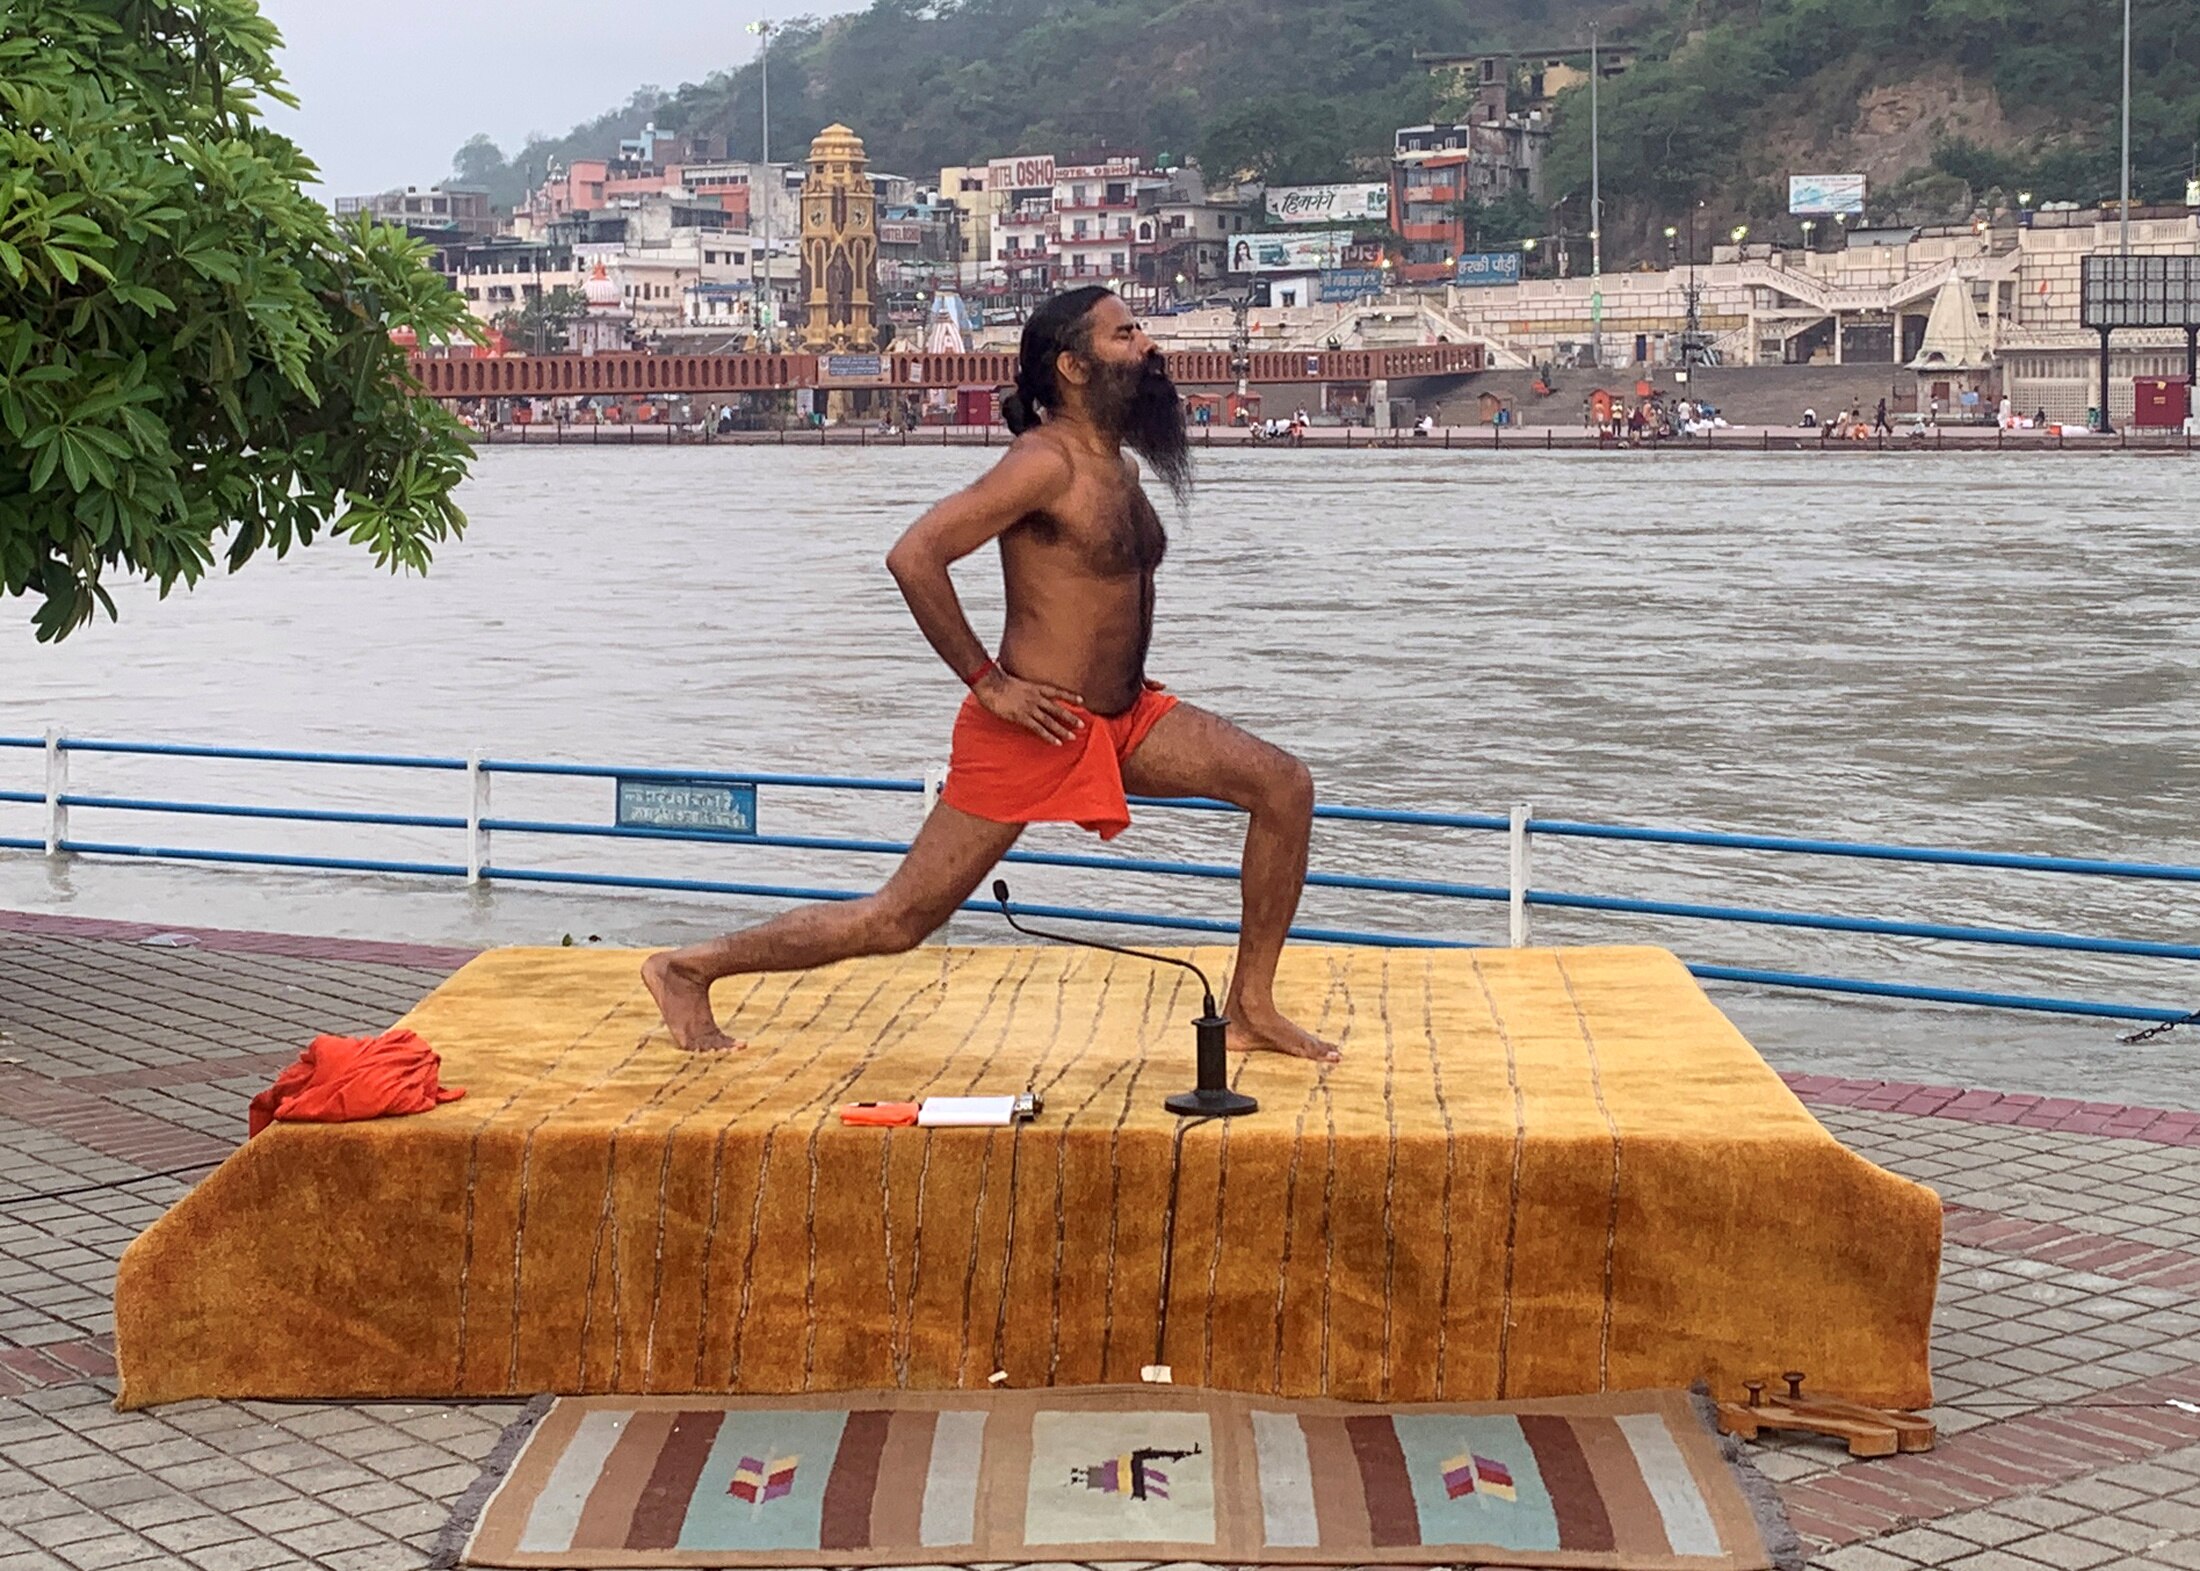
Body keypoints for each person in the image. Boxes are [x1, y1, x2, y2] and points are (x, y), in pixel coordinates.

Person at [643, 287, 1338, 1062]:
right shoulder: (1042, 464)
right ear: (1073, 367)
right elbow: (915, 555)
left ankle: (1251, 1004)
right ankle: (687, 967)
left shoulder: (1123, 472)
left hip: (1124, 719)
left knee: (1283, 785)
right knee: (897, 921)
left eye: (1140, 331)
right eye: (1125, 336)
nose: (1147, 347)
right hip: (1032, 728)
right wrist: (988, 682)